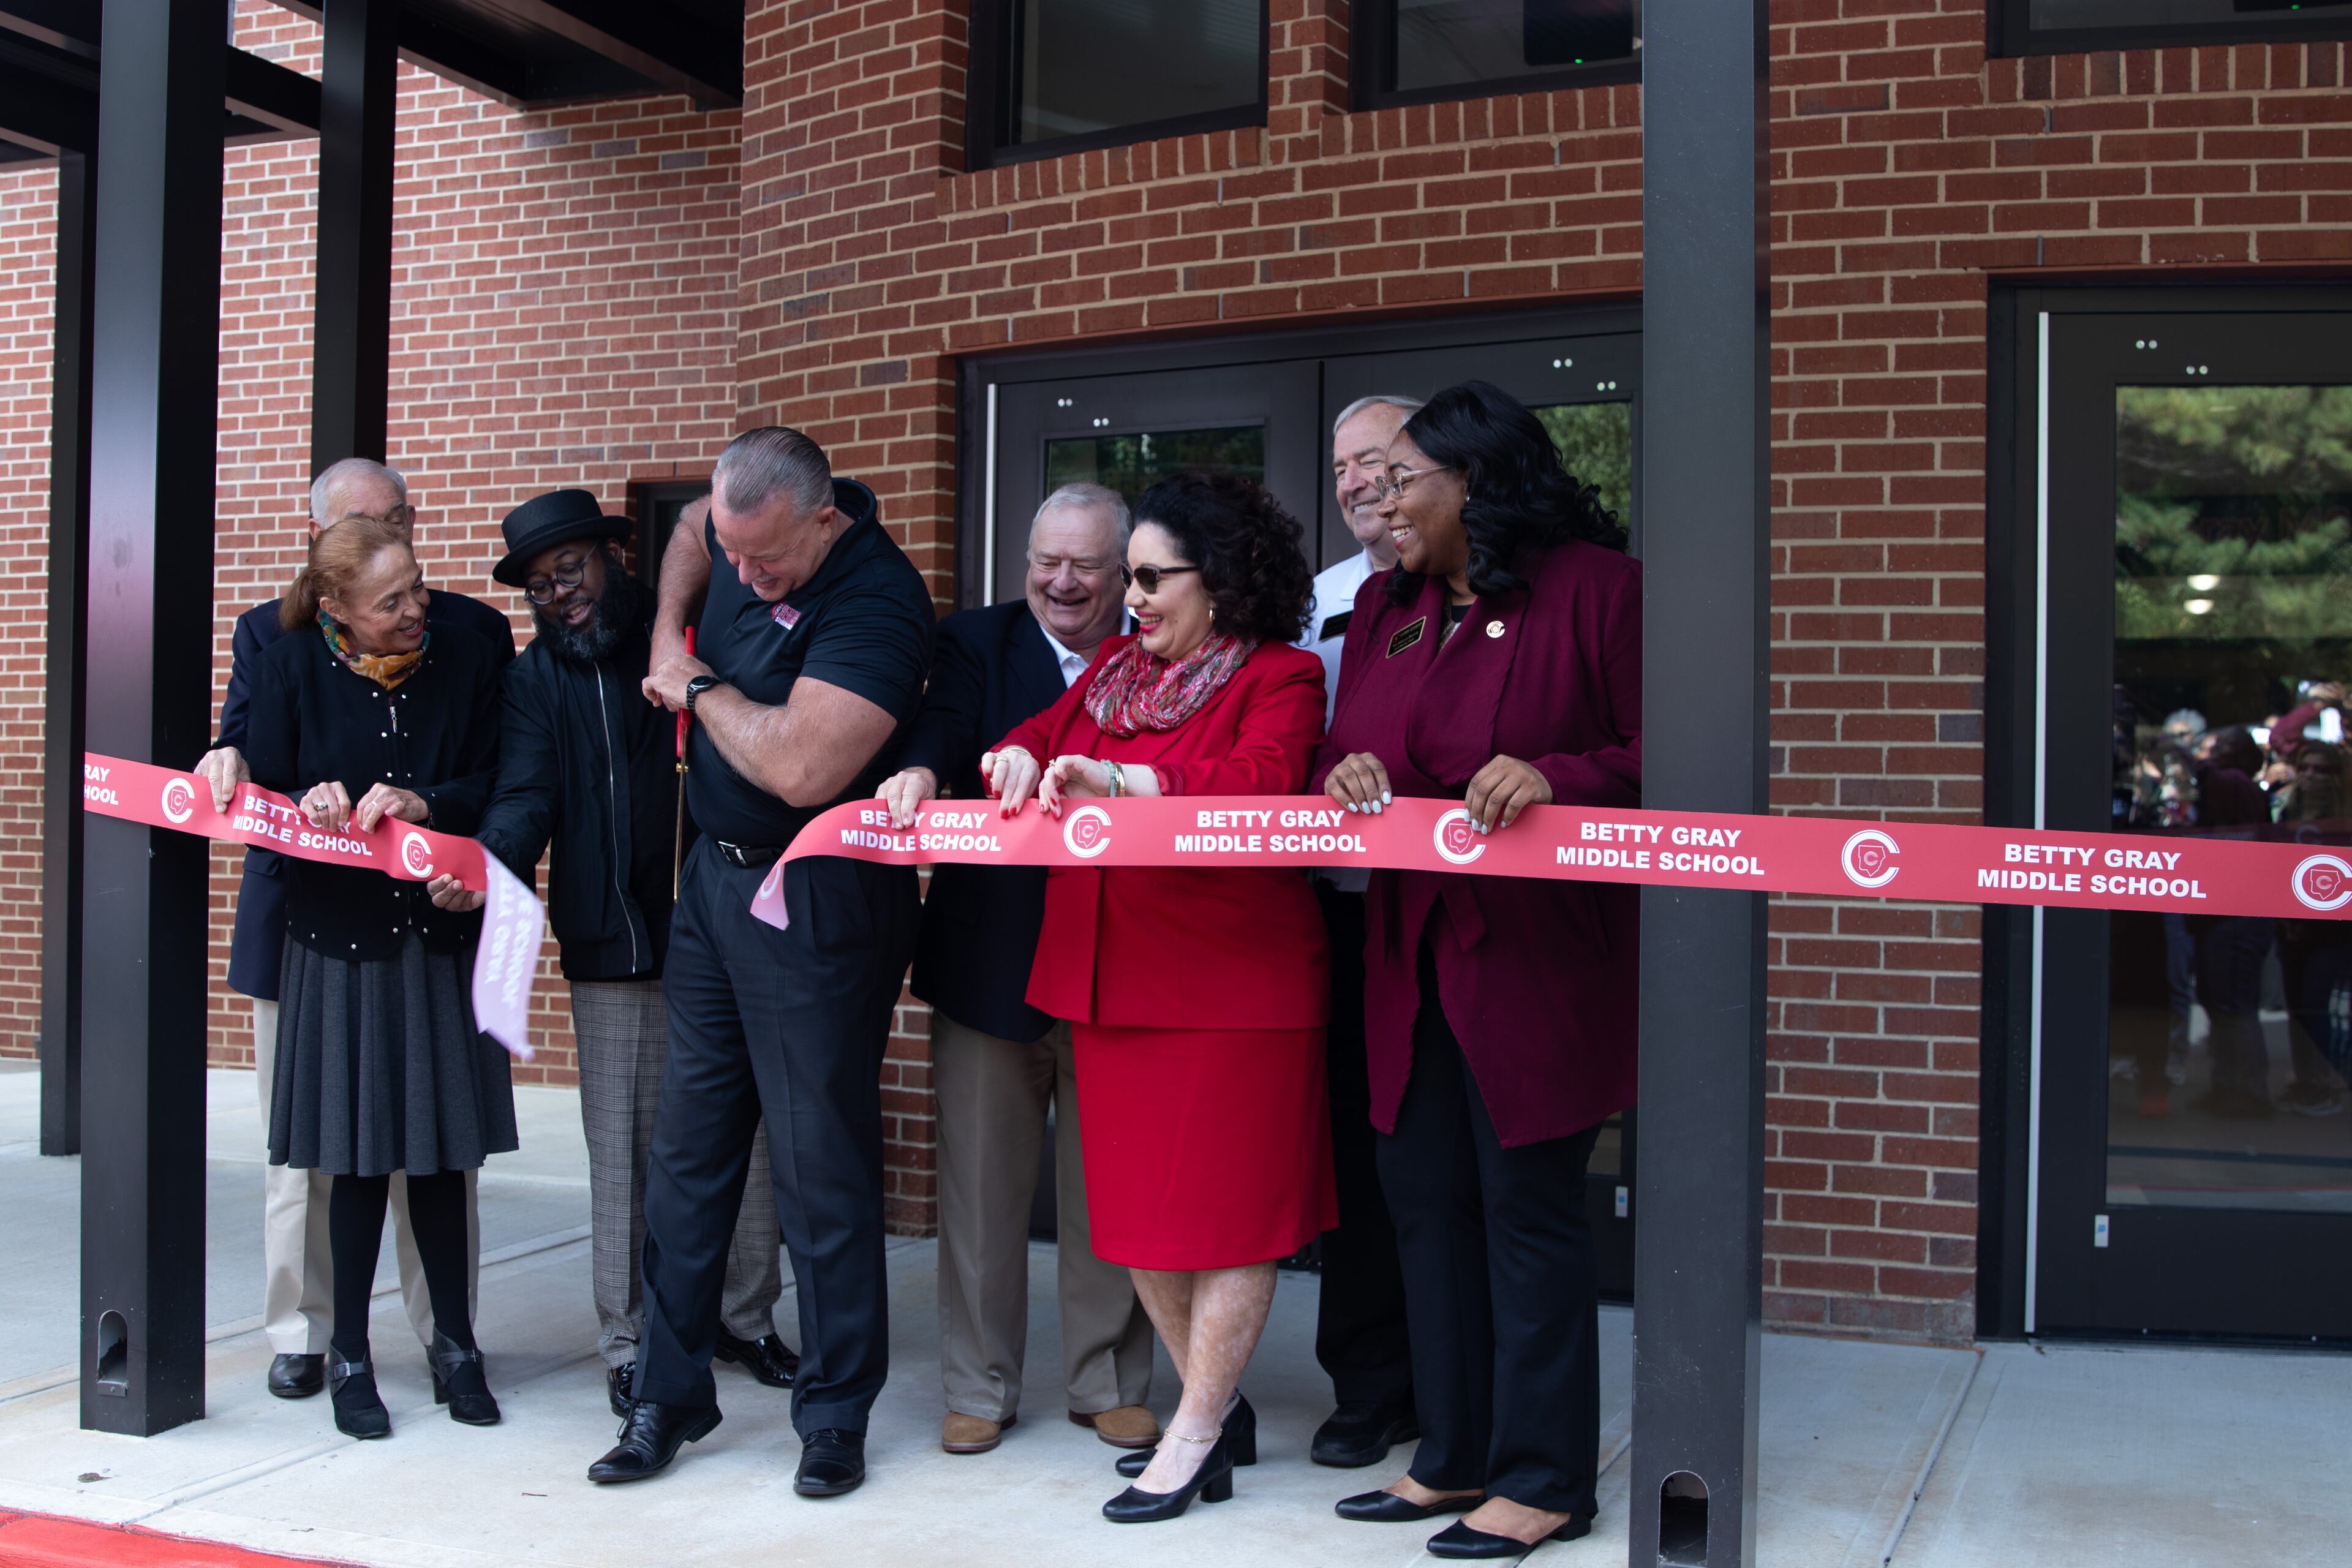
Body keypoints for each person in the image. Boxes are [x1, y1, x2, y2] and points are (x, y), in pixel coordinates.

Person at [1315, 380, 1640, 1558]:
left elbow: (1667, 752)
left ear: (1476, 480)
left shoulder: (1599, 590)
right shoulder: (1391, 609)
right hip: (1410, 956)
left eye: (1405, 482)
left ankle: (1546, 1475)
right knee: (1423, 1202)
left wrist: (1563, 778)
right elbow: (1356, 753)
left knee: (1525, 1209)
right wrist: (1344, 777)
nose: (1384, 506)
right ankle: (1452, 1456)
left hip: (1539, 964)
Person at [586, 428, 932, 1499]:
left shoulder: (878, 601)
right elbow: (694, 526)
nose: (742, 575)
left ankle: (833, 1414)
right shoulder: (736, 526)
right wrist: (662, 627)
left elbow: (800, 766)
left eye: (765, 562)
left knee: (817, 1162)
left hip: (818, 889)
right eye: (734, 555)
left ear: (822, 521)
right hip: (715, 890)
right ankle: (669, 1393)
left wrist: (690, 685)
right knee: (688, 1159)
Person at [986, 470, 1334, 1524]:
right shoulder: (1113, 676)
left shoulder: (1283, 676)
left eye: (1149, 576)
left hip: (1236, 988)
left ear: (1217, 581)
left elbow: (1264, 786)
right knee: (1134, 1224)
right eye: (1128, 576)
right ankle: (1213, 1415)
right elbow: (1045, 738)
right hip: (1114, 979)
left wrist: (1126, 786)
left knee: (1230, 1224)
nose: (1129, 596)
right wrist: (1013, 755)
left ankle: (1191, 1433)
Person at [426, 489, 797, 1419]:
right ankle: (628, 1339)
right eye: (542, 587)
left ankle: (742, 1318)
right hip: (607, 939)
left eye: (573, 571)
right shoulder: (533, 681)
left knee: (741, 1137)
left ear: (611, 558)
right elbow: (523, 796)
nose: (562, 596)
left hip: (718, 926)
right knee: (623, 1152)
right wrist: (489, 863)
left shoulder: (681, 642)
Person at [195, 458, 514, 1402]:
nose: (405, 578)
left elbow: (503, 774)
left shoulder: (470, 636)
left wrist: (449, 829)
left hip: (434, 929)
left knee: (434, 1152)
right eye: (367, 534)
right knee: (321, 1154)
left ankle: (443, 1336)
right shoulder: (274, 640)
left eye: (401, 529)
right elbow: (248, 761)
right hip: (318, 931)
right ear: (324, 568)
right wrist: (250, 771)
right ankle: (316, 1337)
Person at [875, 484, 1156, 1458]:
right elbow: (945, 727)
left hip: (1120, 963)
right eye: (1046, 561)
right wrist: (919, 768)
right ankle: (978, 1387)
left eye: (1085, 565)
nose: (1062, 583)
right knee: (982, 1196)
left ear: (1125, 572)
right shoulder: (974, 642)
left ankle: (1108, 1381)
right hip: (989, 963)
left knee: (1108, 1191)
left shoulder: (1156, 653)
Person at [1297, 394, 1422, 1469]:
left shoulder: (1487, 591)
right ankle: (1371, 1385)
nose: (1352, 483)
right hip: (1336, 911)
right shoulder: (1323, 601)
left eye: (1373, 461)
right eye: (1339, 468)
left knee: (1438, 1156)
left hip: (1444, 906)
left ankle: (1457, 1381)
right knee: (1359, 1154)